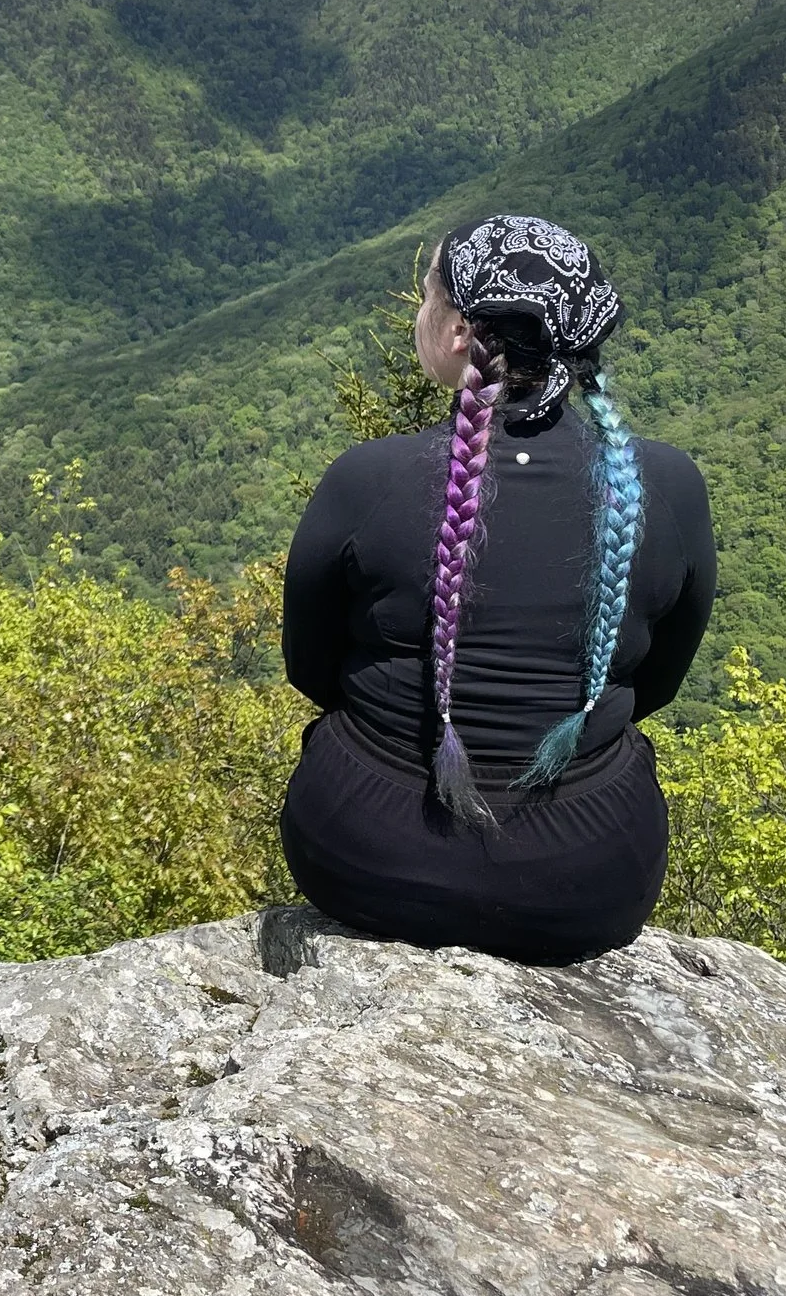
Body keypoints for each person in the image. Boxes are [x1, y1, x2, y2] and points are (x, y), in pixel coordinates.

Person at [279, 214, 716, 964]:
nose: (419, 312)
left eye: (426, 296)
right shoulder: (666, 487)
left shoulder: (369, 480)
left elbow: (310, 670)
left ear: (457, 334)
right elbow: (658, 684)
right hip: (587, 878)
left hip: (367, 857)